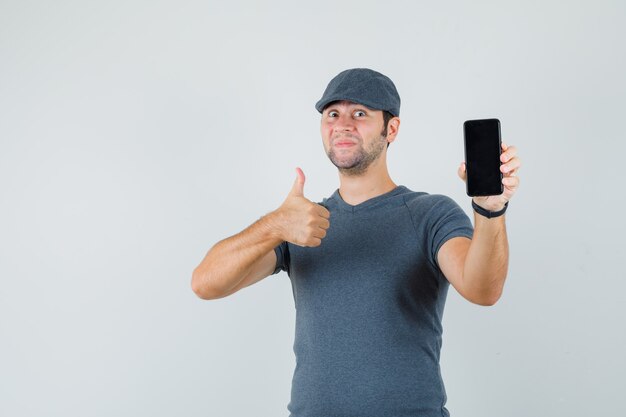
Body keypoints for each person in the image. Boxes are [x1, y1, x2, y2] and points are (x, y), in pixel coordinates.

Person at [191, 68, 521, 417]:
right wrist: (272, 225)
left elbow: (483, 290)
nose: (343, 124)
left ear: (391, 128)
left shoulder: (429, 214)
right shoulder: (301, 223)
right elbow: (205, 284)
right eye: (333, 114)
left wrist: (489, 210)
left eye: (360, 113)